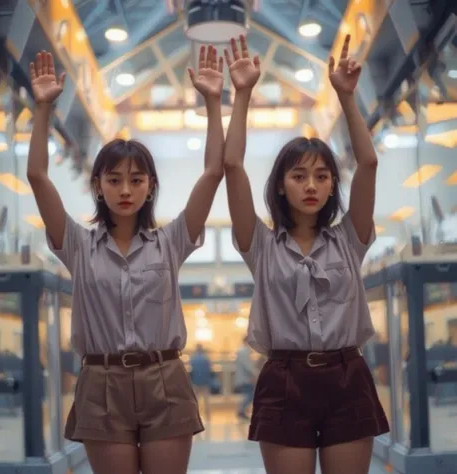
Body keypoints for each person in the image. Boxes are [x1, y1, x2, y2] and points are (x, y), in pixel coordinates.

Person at [26, 45, 225, 474]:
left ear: (150, 186)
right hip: (101, 381)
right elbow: (38, 177)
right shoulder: (77, 244)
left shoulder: (171, 242)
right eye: (114, 179)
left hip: (165, 378)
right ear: (97, 185)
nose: (125, 189)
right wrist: (42, 108)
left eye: (136, 180)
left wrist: (213, 103)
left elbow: (213, 172)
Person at [223, 35, 389, 474]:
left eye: (321, 176)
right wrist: (241, 95)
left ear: (334, 184)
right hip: (284, 378)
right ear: (281, 185)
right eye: (299, 176)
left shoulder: (349, 240)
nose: (311, 185)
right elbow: (232, 167)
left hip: (348, 376)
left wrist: (346, 98)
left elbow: (368, 164)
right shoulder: (259, 246)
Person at [234, 336, 256, 420]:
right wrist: (255, 374)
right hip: (245, 379)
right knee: (249, 395)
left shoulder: (242, 351)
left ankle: (242, 411)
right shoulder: (244, 352)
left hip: (244, 378)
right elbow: (248, 366)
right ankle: (241, 411)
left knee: (248, 394)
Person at [189, 344, 212, 422]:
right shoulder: (206, 358)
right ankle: (208, 416)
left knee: (196, 400)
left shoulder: (193, 358)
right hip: (205, 382)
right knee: (206, 400)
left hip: (195, 381)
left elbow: (191, 369)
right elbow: (209, 369)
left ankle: (196, 416)